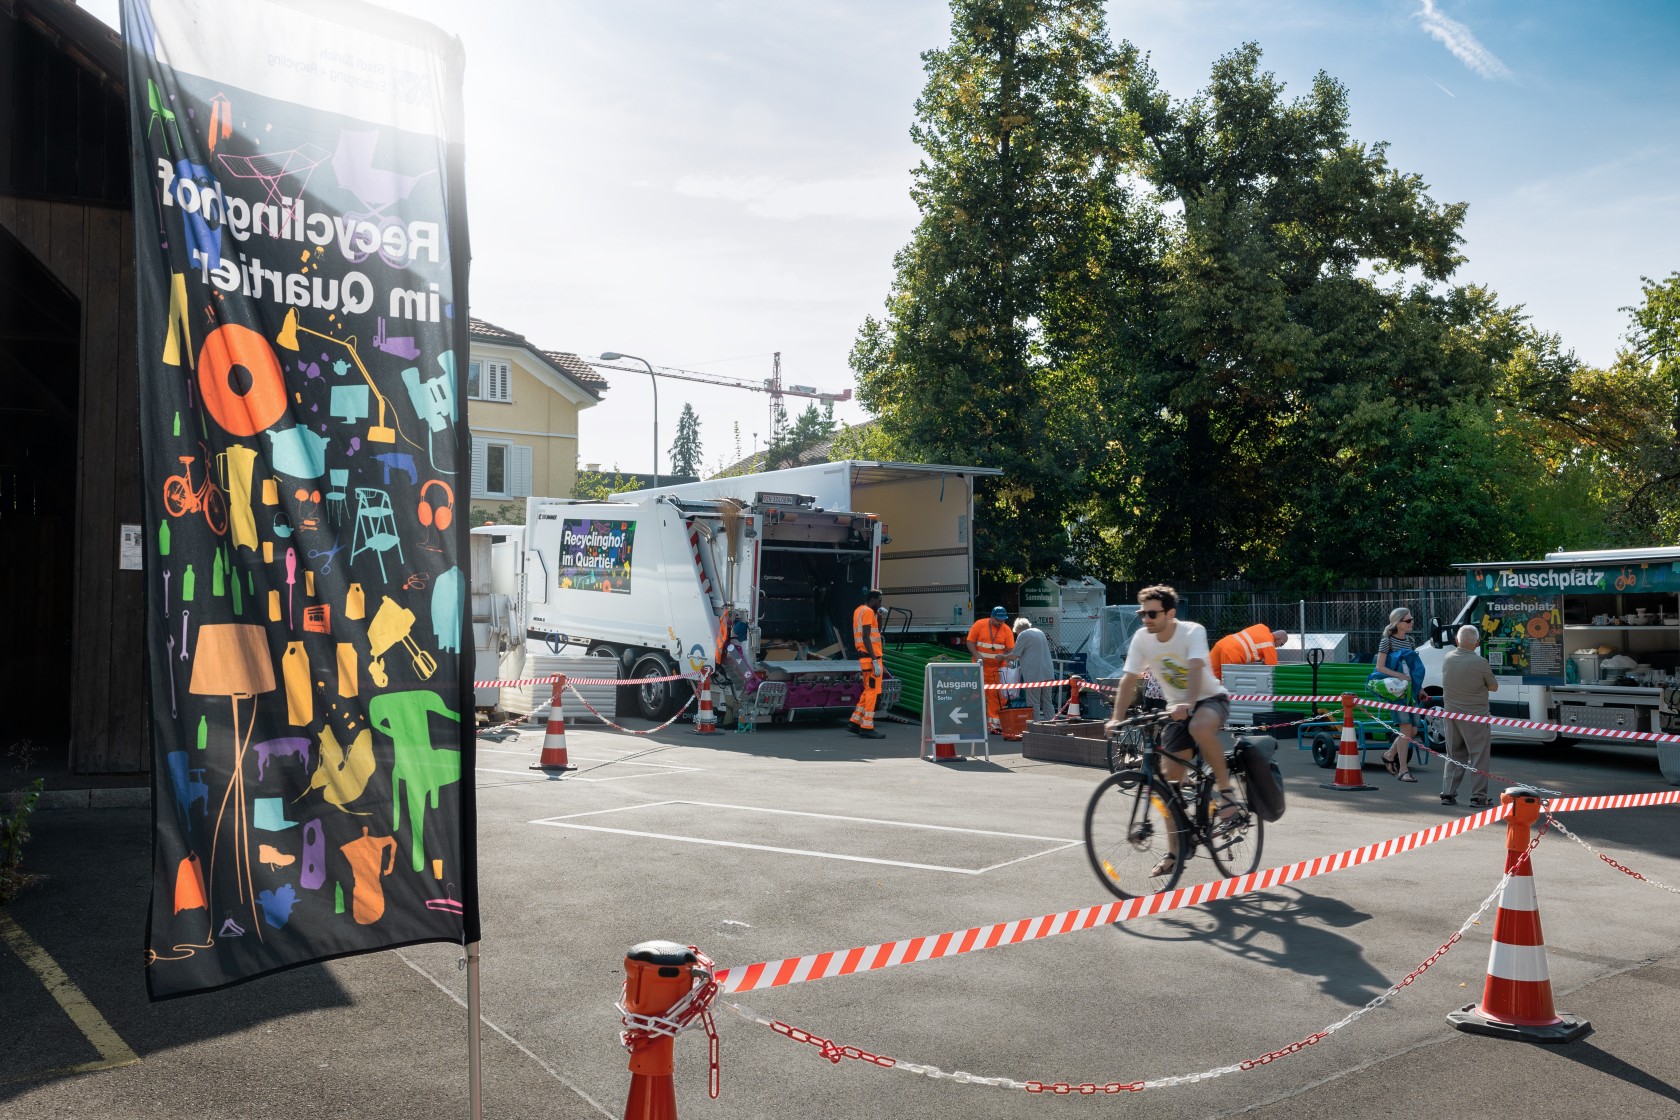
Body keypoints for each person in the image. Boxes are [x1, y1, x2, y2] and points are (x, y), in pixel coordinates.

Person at [1104, 585, 1242, 876]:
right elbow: (1129, 679)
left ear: (1170, 613)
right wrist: (1116, 718)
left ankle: (1227, 792)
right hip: (1176, 709)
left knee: (1199, 725)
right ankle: (1175, 852)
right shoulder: (1143, 638)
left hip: (1208, 699)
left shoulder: (1192, 632)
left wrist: (1188, 702)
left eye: (1152, 614)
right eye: (1143, 613)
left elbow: (1194, 668)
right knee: (1169, 786)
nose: (1145, 619)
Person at [1440, 624, 1499, 807]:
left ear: (1457, 641)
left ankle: (1448, 793)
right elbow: (1493, 686)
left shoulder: (1447, 658)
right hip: (1475, 717)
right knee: (1478, 756)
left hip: (1451, 715)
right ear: (1478, 643)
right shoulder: (1480, 662)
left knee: (1454, 754)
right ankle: (1478, 796)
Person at [1373, 607, 1424, 782]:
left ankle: (1389, 755)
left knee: (1414, 729)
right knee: (1405, 728)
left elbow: (1413, 667)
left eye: (1411, 619)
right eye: (1408, 620)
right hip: (1397, 692)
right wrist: (1400, 676)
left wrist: (1420, 688)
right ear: (1398, 623)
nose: (1412, 623)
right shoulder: (1387, 641)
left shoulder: (1410, 641)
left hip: (1411, 691)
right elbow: (1379, 667)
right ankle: (1403, 770)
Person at [966, 605, 1016, 732]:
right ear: (992, 617)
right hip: (979, 669)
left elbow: (1011, 649)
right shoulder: (979, 624)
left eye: (1003, 620)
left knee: (997, 698)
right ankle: (976, 724)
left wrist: (1005, 657)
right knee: (976, 696)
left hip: (997, 670)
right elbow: (970, 642)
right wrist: (977, 656)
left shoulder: (1006, 630)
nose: (1001, 622)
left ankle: (995, 725)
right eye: (998, 620)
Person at [848, 589, 886, 739]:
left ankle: (855, 721)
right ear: (872, 600)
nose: (880, 603)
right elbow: (865, 637)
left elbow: (876, 631)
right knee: (872, 692)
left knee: (867, 690)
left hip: (866, 658)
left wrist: (880, 615)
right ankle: (867, 726)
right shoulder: (868, 612)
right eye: (879, 601)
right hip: (872, 658)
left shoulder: (859, 610)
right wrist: (875, 659)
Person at [1007, 616, 1057, 721]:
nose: (1017, 635)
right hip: (1048, 672)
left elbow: (1014, 655)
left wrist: (1002, 657)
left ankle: (1036, 727)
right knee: (1047, 701)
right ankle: (1051, 725)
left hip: (1034, 674)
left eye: (1016, 632)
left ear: (1018, 629)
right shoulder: (1039, 632)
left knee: (1034, 702)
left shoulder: (1023, 635)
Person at [1209, 623, 1289, 680]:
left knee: (1207, 674)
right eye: (1281, 644)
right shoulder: (1269, 645)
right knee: (1227, 685)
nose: (1279, 646)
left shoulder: (1261, 627)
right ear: (1278, 638)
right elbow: (1273, 668)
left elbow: (1254, 643)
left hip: (1221, 644)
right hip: (1231, 654)